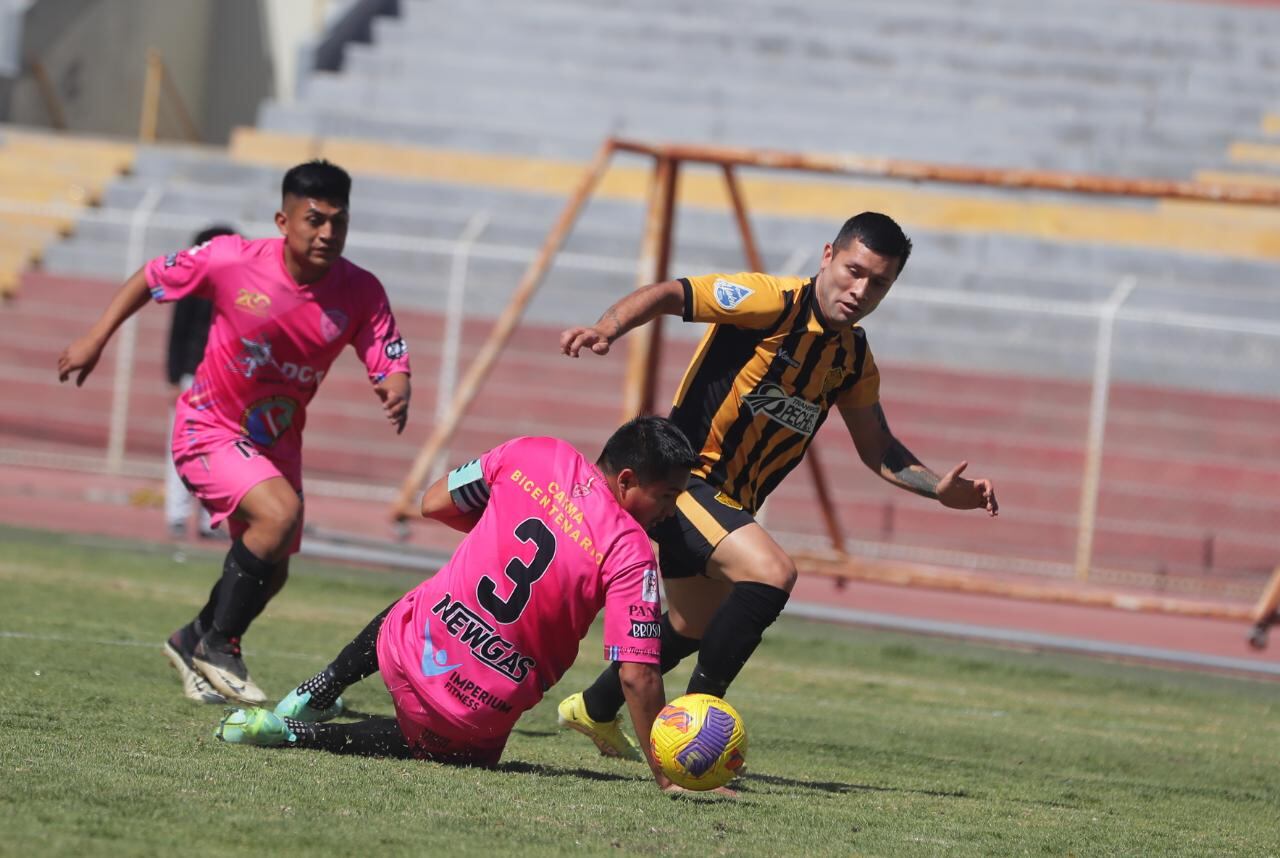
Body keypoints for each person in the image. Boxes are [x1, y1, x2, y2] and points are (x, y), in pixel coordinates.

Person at [555, 212, 999, 757]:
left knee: (694, 625)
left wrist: (938, 490)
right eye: (854, 271)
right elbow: (672, 294)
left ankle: (594, 708)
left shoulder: (853, 360)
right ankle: (695, 734)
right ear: (828, 256)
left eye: (879, 283)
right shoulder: (770, 302)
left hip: (732, 503)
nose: (861, 291)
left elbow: (877, 447)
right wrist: (607, 328)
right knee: (773, 573)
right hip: (686, 486)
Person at [57, 160, 412, 706]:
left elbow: (385, 348)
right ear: (282, 221)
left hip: (276, 441)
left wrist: (395, 382)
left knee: (274, 571)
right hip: (207, 427)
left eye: (338, 221)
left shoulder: (359, 289)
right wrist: (95, 337)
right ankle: (220, 646)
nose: (327, 233)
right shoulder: (231, 259)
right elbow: (152, 275)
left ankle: (191, 639)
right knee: (279, 515)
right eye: (314, 220)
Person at [214, 417, 700, 792]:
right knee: (449, 750)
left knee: (425, 598)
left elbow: (432, 502)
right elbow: (637, 675)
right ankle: (293, 732)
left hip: (407, 646)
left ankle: (324, 684)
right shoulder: (631, 551)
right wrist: (665, 772)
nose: (670, 510)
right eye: (667, 496)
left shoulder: (534, 451)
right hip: (473, 712)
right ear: (626, 480)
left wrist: (497, 530)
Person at [164, 224, 236, 540]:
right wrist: (173, 378)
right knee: (182, 446)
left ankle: (210, 519)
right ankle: (177, 515)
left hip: (228, 380)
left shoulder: (240, 289)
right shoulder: (192, 287)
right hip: (193, 375)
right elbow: (178, 333)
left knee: (220, 450)